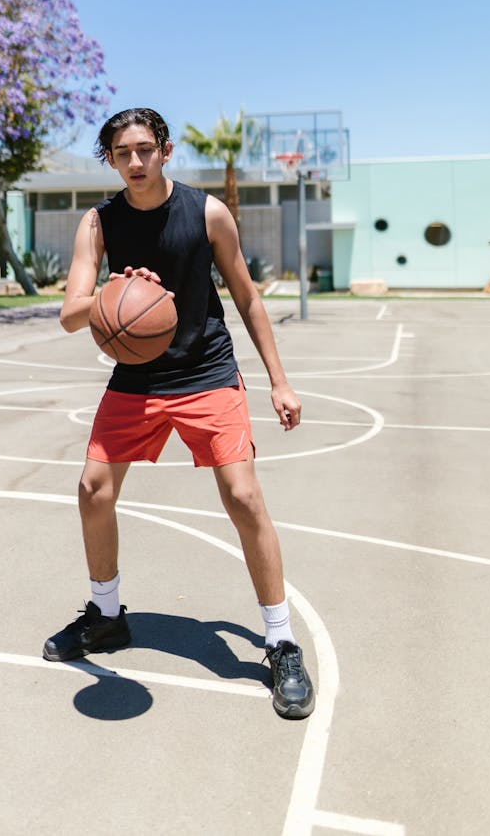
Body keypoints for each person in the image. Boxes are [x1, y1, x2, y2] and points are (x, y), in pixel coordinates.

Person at [43, 107, 315, 719]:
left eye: (144, 149)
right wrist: (113, 295)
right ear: (110, 159)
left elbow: (245, 296)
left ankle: (279, 641)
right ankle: (107, 614)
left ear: (165, 150)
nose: (134, 162)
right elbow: (70, 312)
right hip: (137, 377)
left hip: (206, 371)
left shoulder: (207, 212)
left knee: (243, 497)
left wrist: (279, 381)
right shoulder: (100, 223)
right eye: (121, 153)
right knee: (92, 489)